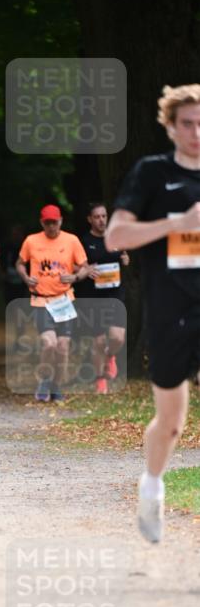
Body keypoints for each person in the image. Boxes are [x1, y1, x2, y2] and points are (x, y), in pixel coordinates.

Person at [105, 83, 200, 543]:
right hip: (172, 306)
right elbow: (116, 238)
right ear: (170, 126)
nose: (197, 132)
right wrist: (177, 225)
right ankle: (152, 485)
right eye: (188, 123)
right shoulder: (152, 172)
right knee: (172, 422)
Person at [16, 204, 89, 403]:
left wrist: (74, 277)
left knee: (63, 347)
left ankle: (57, 385)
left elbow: (84, 267)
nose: (51, 227)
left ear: (61, 221)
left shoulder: (71, 240)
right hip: (41, 300)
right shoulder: (31, 241)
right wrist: (25, 277)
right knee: (49, 344)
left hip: (64, 299)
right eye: (47, 223)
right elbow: (20, 263)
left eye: (54, 222)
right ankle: (44, 380)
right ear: (42, 222)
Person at [77, 202, 130, 394]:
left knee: (117, 338)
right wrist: (85, 270)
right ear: (90, 219)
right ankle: (100, 381)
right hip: (93, 296)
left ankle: (110, 357)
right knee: (98, 341)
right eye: (97, 217)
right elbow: (76, 265)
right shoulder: (84, 242)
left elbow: (124, 256)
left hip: (115, 294)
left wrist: (125, 260)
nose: (101, 220)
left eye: (104, 216)